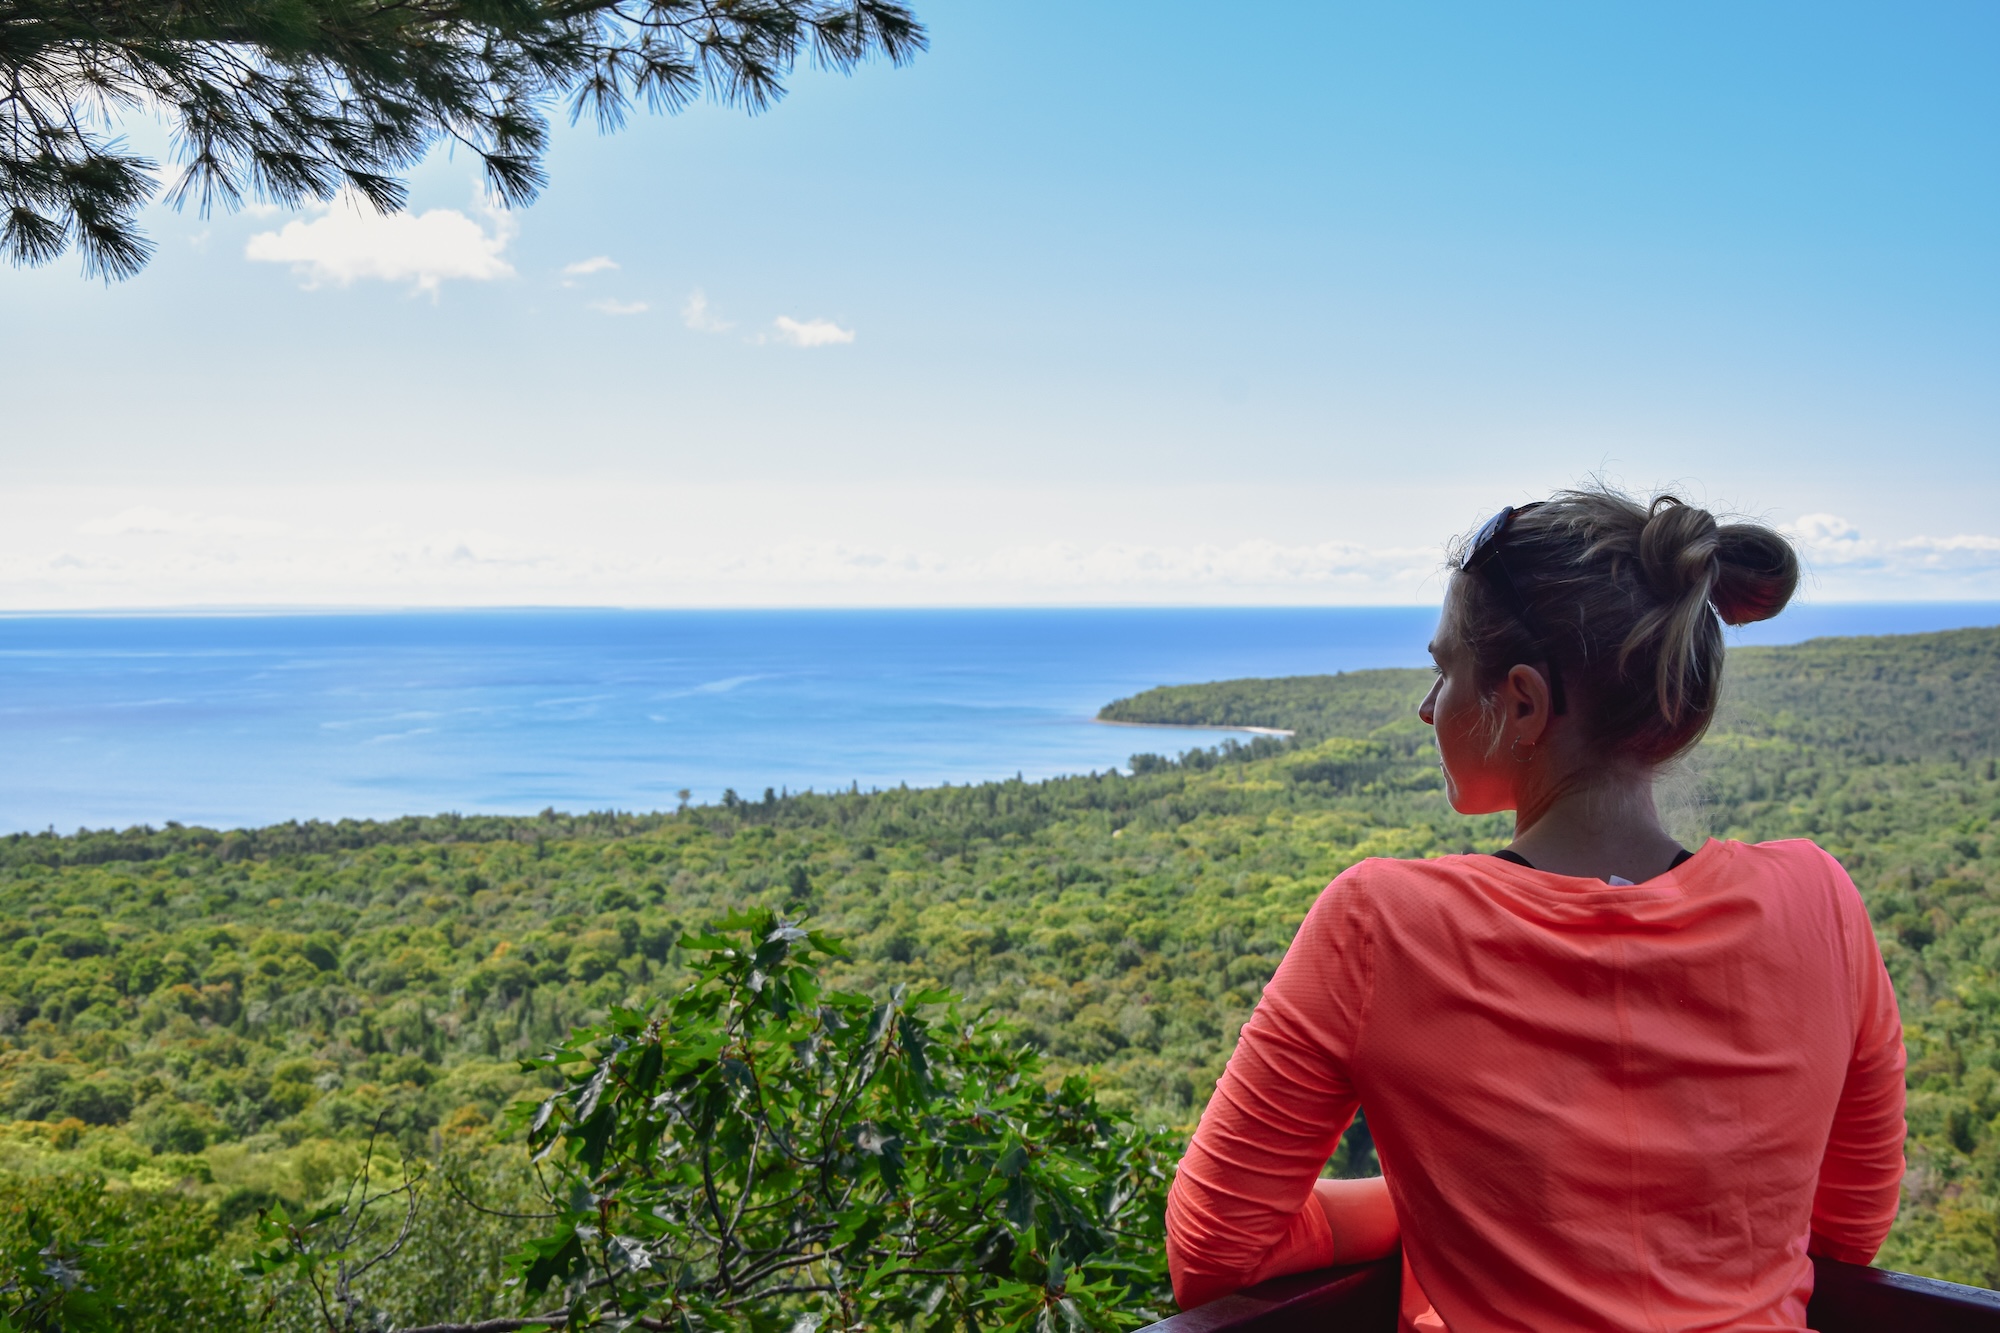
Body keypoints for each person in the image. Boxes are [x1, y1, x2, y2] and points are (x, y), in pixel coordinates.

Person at [1164, 488, 1906, 1332]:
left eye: (1444, 671)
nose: (1427, 705)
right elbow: (1845, 1234)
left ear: (1521, 701)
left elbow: (1214, 1253)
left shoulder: (1382, 924)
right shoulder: (1821, 902)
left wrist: (1462, 1211)